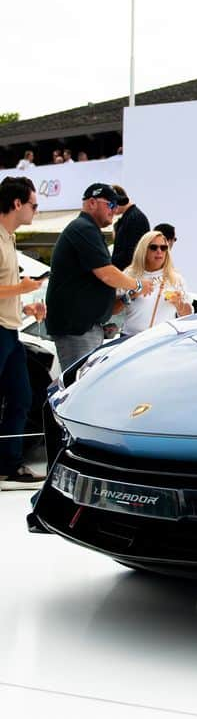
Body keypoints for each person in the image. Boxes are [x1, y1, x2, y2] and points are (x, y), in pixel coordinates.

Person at [45, 183, 148, 372]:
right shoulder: (83, 228)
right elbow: (107, 274)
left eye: (117, 206)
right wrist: (138, 284)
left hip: (84, 328)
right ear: (92, 203)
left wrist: (124, 297)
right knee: (81, 392)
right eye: (110, 205)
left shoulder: (87, 229)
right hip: (77, 330)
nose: (115, 210)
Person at [0, 176, 47, 488]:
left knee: (22, 397)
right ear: (17, 203)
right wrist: (24, 287)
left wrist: (24, 306)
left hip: (10, 331)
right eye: (34, 204)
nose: (36, 211)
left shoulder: (9, 238)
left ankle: (10, 464)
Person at [117, 230, 192, 335]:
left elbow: (189, 314)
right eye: (153, 247)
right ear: (143, 250)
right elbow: (113, 310)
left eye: (163, 248)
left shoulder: (175, 278)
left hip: (160, 342)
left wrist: (179, 304)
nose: (159, 251)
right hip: (130, 339)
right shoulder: (130, 274)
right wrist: (133, 294)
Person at [110, 184, 150, 271]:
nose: (110, 209)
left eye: (111, 204)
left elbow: (132, 253)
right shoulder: (129, 217)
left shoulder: (134, 218)